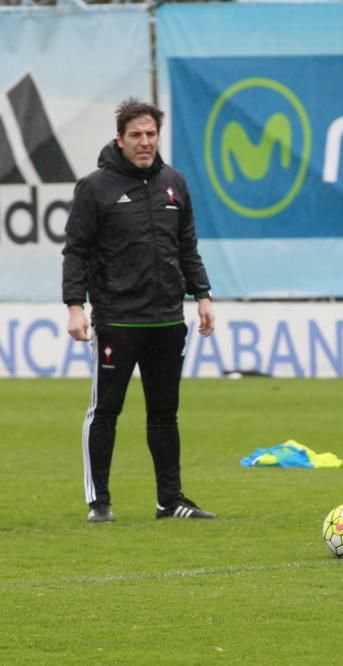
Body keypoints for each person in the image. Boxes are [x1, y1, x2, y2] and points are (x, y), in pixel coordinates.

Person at [62, 98, 217, 523]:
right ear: (120, 139)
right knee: (105, 411)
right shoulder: (95, 188)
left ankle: (170, 501)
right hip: (117, 320)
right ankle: (100, 502)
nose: (145, 142)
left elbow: (186, 245)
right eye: (136, 135)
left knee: (165, 414)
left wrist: (202, 294)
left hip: (168, 319)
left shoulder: (174, 183)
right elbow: (75, 252)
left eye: (151, 134)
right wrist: (75, 306)